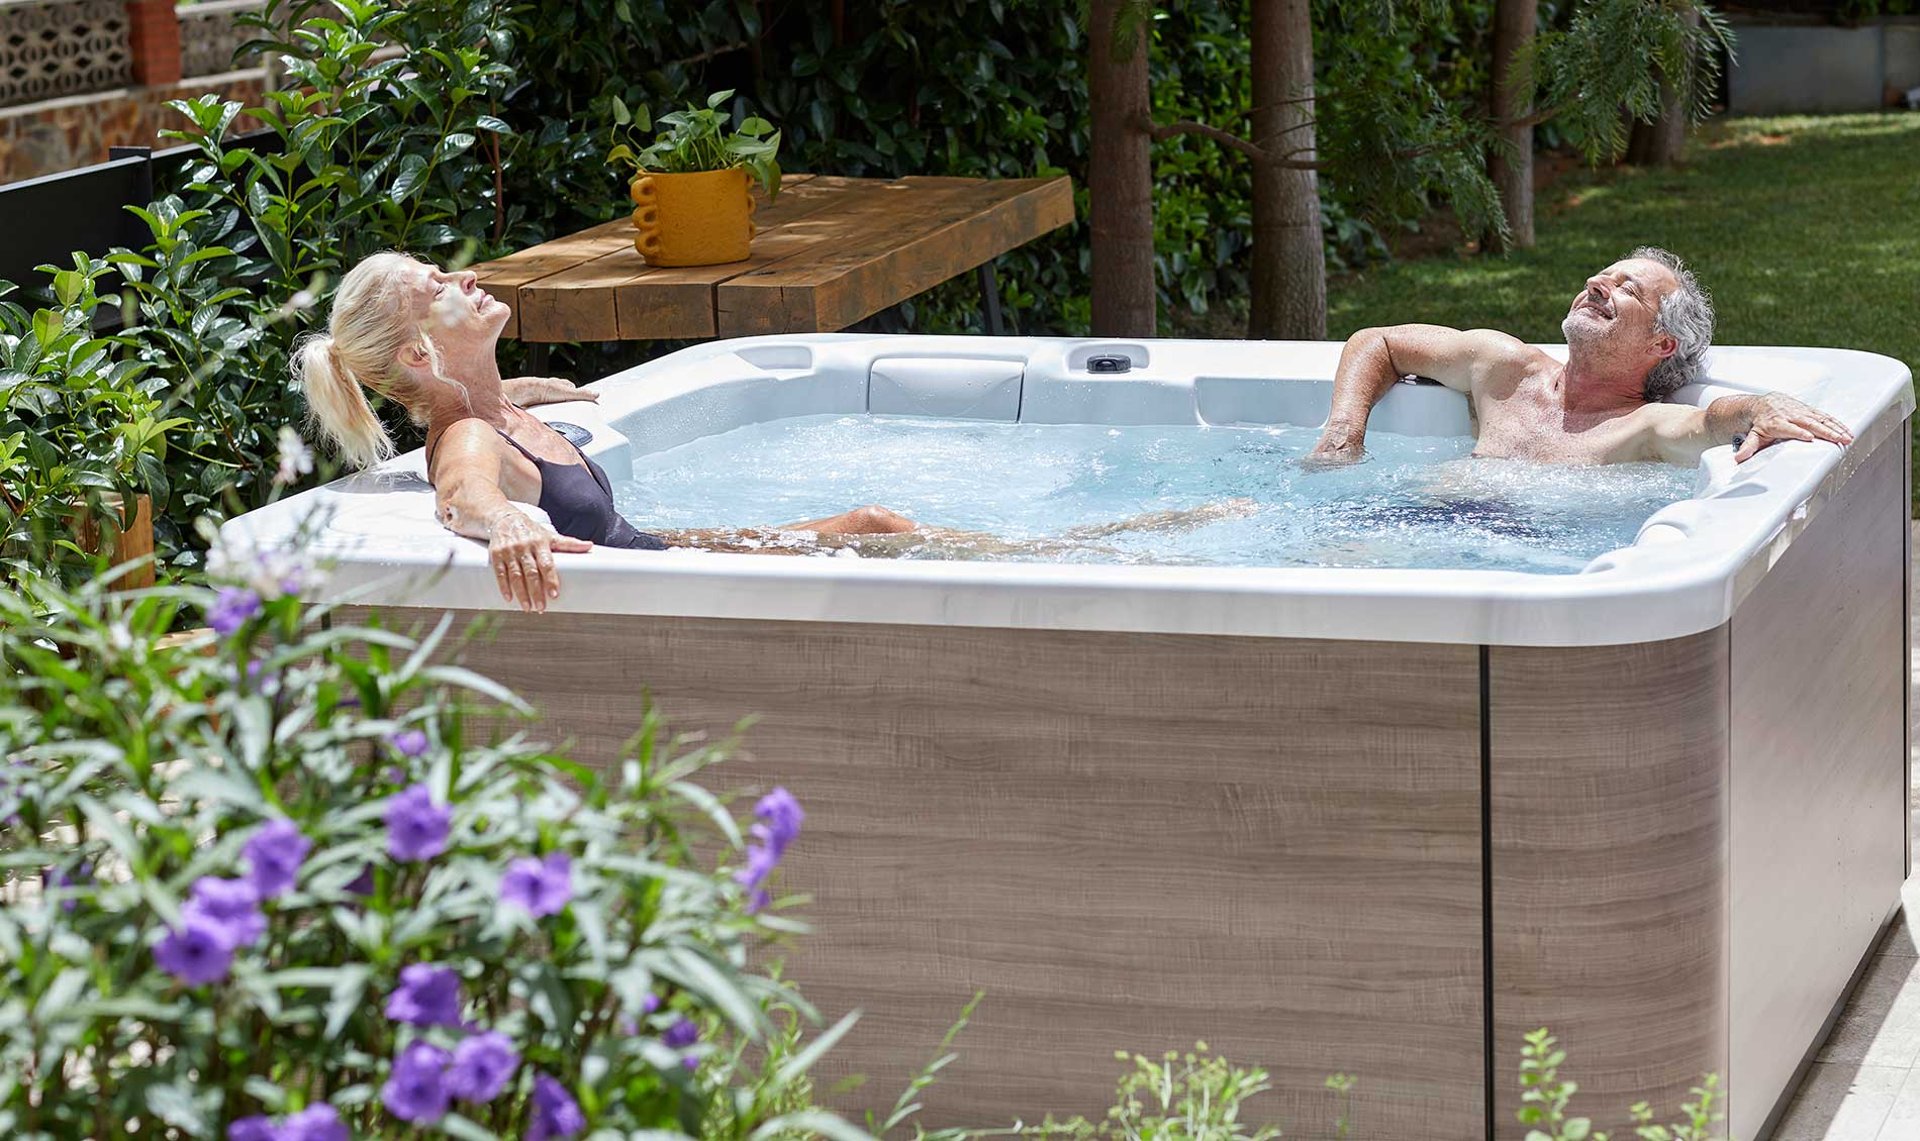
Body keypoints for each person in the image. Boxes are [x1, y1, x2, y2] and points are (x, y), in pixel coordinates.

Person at [295, 252, 1239, 613]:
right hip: (676, 592)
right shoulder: (465, 438)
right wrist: (498, 522)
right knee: (876, 527)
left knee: (877, 524)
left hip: (669, 557)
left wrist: (526, 390)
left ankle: (1089, 553)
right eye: (439, 284)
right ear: (421, 352)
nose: (464, 276)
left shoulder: (491, 407)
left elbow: (496, 419)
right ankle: (1095, 557)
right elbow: (464, 491)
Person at [1304, 247, 1853, 469]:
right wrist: (1341, 439)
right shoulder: (1504, 367)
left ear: (1662, 344)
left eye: (1625, 288)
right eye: (1601, 275)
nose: (1594, 283)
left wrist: (1760, 407)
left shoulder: (1640, 426)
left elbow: (1708, 421)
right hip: (1414, 526)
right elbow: (1377, 341)